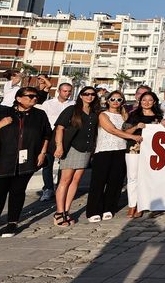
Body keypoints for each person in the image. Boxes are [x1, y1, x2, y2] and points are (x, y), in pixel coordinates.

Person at [0, 87, 52, 240]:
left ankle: (12, 222)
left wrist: (42, 153)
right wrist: (0, 124)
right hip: (3, 159)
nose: (34, 99)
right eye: (30, 96)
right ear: (19, 98)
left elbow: (47, 134)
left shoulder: (39, 114)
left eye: (36, 97)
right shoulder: (3, 113)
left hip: (26, 160)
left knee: (18, 192)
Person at [86, 91, 141, 222]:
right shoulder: (103, 115)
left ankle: (109, 208)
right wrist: (133, 136)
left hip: (121, 150)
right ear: (107, 101)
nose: (116, 101)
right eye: (113, 99)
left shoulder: (125, 116)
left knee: (115, 182)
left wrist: (136, 128)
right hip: (104, 151)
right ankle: (93, 210)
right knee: (98, 182)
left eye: (119, 99)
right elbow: (112, 130)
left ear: (123, 102)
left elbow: (127, 130)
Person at [52, 86, 100, 227]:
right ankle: (59, 213)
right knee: (65, 180)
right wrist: (59, 146)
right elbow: (60, 127)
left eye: (92, 94)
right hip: (72, 148)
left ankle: (67, 211)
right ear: (80, 96)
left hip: (86, 149)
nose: (89, 96)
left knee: (76, 181)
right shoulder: (72, 110)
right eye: (86, 94)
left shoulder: (94, 112)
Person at [122, 91, 162, 219]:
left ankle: (141, 204)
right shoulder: (134, 115)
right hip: (134, 149)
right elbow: (125, 131)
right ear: (140, 101)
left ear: (154, 102)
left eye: (150, 100)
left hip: (152, 151)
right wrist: (136, 128)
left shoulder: (159, 117)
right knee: (132, 177)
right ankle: (132, 205)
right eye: (144, 100)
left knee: (147, 178)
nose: (147, 102)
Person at [39, 82, 74, 202]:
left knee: (64, 165)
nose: (67, 93)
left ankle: (60, 187)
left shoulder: (73, 104)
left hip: (66, 137)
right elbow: (42, 120)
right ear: (58, 91)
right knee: (47, 164)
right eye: (65, 91)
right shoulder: (48, 104)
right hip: (50, 135)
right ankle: (48, 188)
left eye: (69, 91)